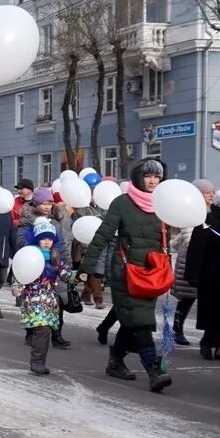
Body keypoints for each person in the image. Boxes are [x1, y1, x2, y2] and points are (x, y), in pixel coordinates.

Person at [77, 159, 173, 392]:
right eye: (148, 176)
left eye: (157, 176)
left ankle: (115, 361)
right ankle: (153, 369)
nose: (152, 180)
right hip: (126, 272)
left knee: (132, 321)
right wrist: (86, 269)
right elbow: (102, 236)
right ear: (139, 177)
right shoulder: (123, 203)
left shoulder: (164, 204)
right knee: (140, 322)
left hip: (151, 273)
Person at [12, 218, 76, 375]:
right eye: (43, 238)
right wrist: (17, 286)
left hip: (49, 299)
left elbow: (65, 273)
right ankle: (37, 362)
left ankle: (39, 360)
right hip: (33, 298)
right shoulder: (30, 255)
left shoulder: (55, 257)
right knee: (42, 329)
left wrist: (78, 276)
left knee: (45, 330)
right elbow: (20, 274)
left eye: (50, 239)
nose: (47, 242)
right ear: (37, 239)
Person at [183, 184, 220, 359]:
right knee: (214, 313)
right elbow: (195, 251)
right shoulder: (207, 222)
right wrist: (192, 275)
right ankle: (207, 341)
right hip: (213, 276)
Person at [170, 179, 214, 345]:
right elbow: (190, 237)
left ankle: (211, 335)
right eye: (208, 192)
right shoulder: (191, 211)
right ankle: (177, 330)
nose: (212, 195)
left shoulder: (211, 211)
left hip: (205, 258)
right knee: (187, 298)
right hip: (191, 259)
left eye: (213, 192)